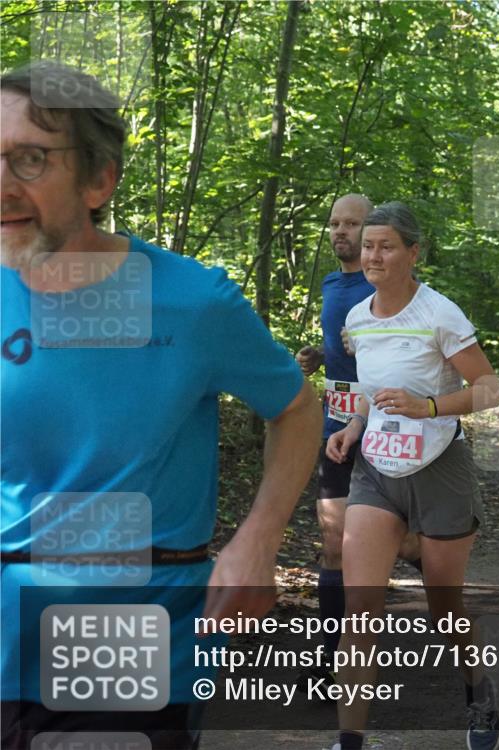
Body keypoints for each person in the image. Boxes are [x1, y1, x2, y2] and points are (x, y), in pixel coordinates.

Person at [0, 62, 321, 748]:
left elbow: (296, 408)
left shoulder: (190, 302)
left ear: (99, 180)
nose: (3, 184)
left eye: (29, 158)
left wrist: (258, 538)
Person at [325, 202, 499, 750]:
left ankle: (478, 693)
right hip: (375, 470)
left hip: (439, 467)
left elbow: (490, 390)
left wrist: (427, 407)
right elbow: (374, 393)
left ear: (413, 252)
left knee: (443, 605)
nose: (373, 255)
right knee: (361, 608)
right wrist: (354, 425)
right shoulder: (356, 319)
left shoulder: (440, 313)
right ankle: (350, 740)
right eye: (369, 245)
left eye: (386, 246)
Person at [294, 194, 420, 682]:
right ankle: (331, 663)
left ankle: (422, 556)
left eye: (352, 224)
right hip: (338, 428)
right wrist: (322, 357)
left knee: (383, 544)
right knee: (333, 542)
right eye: (334, 224)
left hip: (388, 428)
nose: (341, 232)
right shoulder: (331, 285)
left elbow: (413, 346)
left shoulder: (395, 287)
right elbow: (350, 352)